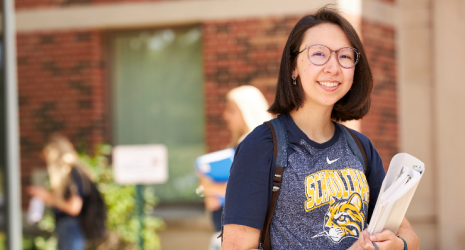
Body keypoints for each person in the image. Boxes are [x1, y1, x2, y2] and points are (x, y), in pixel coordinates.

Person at [222, 7, 419, 250]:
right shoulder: (261, 146)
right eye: (318, 54)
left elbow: (407, 233)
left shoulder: (360, 147)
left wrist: (398, 245)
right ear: (293, 66)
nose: (333, 67)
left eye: (345, 56)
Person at [197, 85, 272, 250]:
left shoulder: (255, 146)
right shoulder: (246, 145)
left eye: (231, 110)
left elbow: (255, 193)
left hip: (245, 240)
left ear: (247, 110)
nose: (225, 115)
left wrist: (210, 188)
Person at [27, 134, 92, 250]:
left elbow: (74, 208)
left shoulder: (73, 173)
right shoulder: (69, 175)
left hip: (71, 229)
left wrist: (49, 197)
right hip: (67, 229)